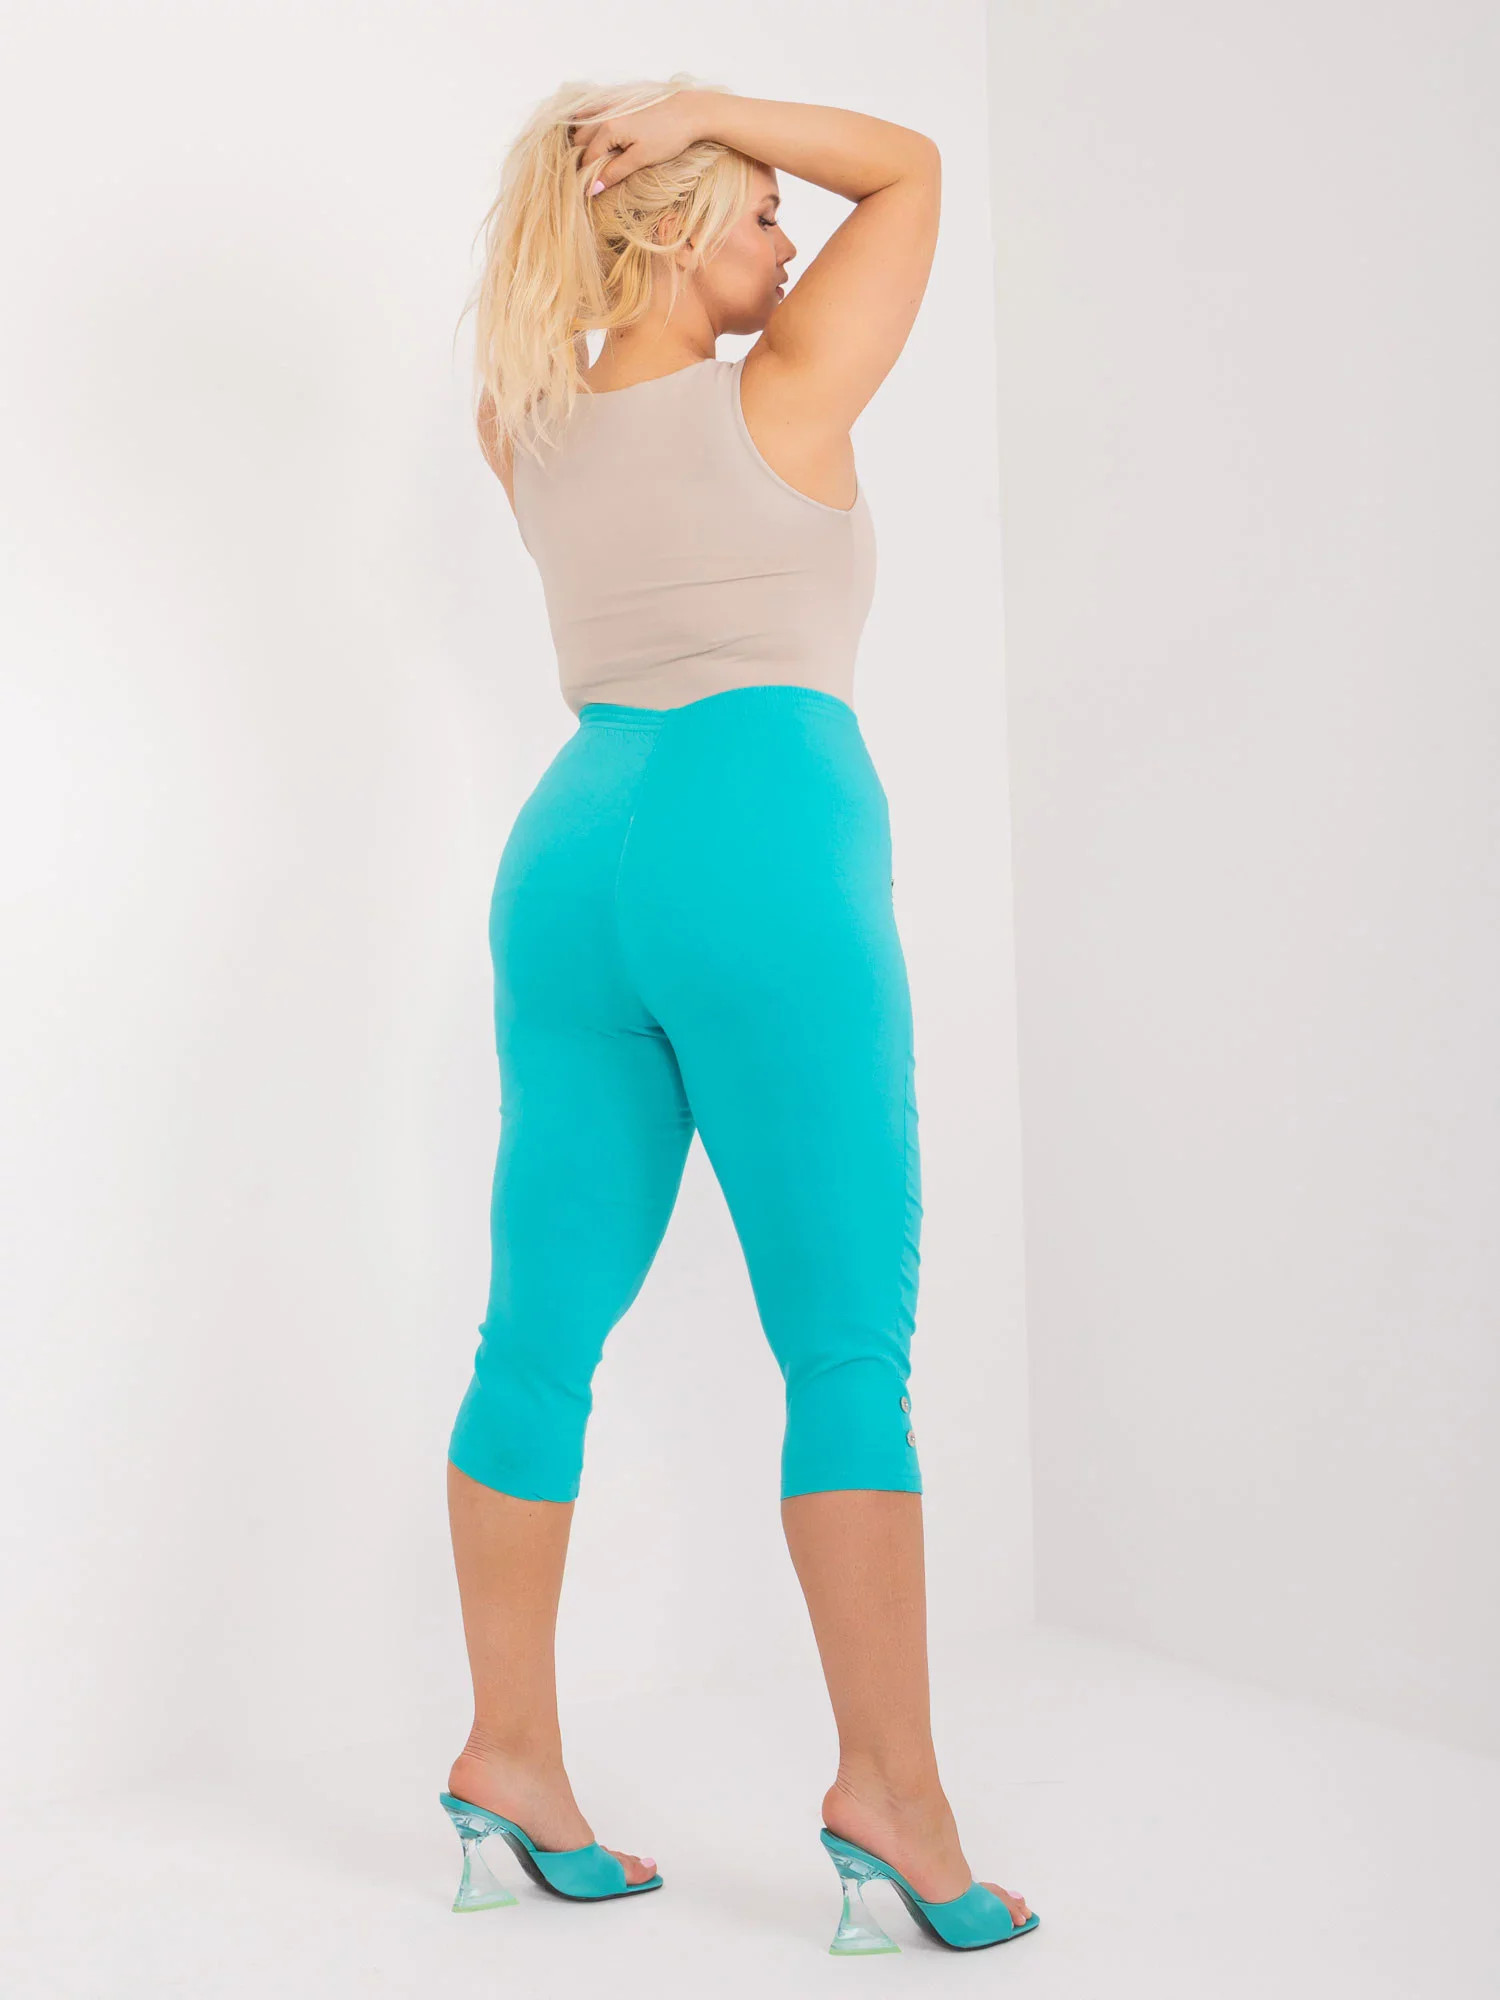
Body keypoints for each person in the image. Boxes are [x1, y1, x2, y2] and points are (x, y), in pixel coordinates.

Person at [438, 76, 1039, 1955]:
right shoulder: (780, 395)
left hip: (571, 858)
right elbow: (913, 169)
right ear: (678, 226)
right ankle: (896, 1802)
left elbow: (787, 234)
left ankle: (509, 1758)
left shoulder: (521, 422)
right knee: (846, 1347)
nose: (789, 245)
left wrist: (663, 154)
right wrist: (709, 107)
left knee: (534, 1338)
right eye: (761, 214)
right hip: (759, 838)